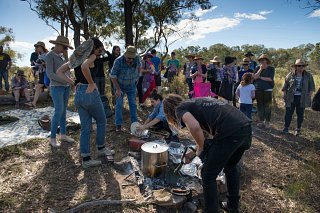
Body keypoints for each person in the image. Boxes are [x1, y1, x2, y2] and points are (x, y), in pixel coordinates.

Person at [162, 95, 252, 213]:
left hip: (230, 132)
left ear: (169, 111)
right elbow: (205, 135)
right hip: (245, 128)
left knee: (208, 174)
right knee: (230, 167)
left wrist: (200, 147)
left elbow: (194, 126)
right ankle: (232, 207)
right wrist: (194, 151)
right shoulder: (195, 103)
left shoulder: (179, 109)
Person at [57, 38, 114, 169]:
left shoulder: (75, 59)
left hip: (79, 94)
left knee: (85, 128)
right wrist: (92, 83)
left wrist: (74, 83)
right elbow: (84, 67)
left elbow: (59, 71)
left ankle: (86, 159)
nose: (100, 53)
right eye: (100, 50)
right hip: (90, 92)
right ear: (93, 48)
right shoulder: (92, 56)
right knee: (101, 121)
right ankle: (101, 148)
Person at [45, 36, 74, 147]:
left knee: (64, 111)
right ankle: (52, 138)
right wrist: (66, 80)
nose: (66, 49)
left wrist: (70, 79)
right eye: (65, 47)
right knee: (58, 111)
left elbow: (66, 72)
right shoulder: (49, 56)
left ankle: (63, 135)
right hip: (56, 87)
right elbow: (50, 74)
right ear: (58, 45)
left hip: (66, 87)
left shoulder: (62, 57)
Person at [110, 46, 140, 132]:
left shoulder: (137, 59)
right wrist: (118, 89)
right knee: (119, 105)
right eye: (128, 57)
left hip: (132, 86)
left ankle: (134, 124)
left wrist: (137, 79)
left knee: (133, 104)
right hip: (120, 86)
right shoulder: (118, 61)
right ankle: (118, 125)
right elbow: (113, 76)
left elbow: (139, 69)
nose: (129, 60)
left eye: (131, 58)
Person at [282, 59, 315, 136]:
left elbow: (312, 87)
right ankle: (286, 128)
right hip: (291, 97)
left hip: (302, 98)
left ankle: (298, 129)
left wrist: (308, 96)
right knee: (288, 113)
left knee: (300, 114)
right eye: (299, 66)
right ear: (295, 67)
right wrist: (284, 95)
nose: (301, 67)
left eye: (302, 66)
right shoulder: (290, 75)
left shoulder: (308, 75)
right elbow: (285, 86)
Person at [253, 54, 275, 128]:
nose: (262, 61)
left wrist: (260, 77)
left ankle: (267, 122)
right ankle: (261, 121)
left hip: (267, 89)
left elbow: (270, 79)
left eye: (264, 60)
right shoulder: (257, 67)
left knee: (267, 106)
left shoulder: (271, 68)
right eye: (261, 60)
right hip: (258, 88)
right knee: (260, 106)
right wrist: (260, 69)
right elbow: (255, 77)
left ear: (267, 61)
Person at [28, 41, 48, 107]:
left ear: (41, 47)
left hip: (47, 73)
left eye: (37, 46)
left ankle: (58, 102)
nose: (36, 48)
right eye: (35, 47)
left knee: (49, 87)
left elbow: (50, 64)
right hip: (41, 73)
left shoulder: (46, 54)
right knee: (38, 87)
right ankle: (34, 102)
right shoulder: (39, 55)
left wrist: (43, 63)